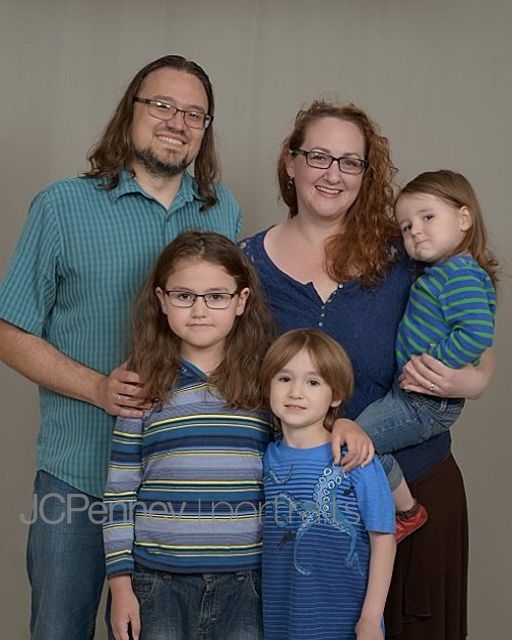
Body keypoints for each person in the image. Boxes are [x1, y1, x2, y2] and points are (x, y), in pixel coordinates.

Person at [0, 55, 242, 640]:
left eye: (194, 114)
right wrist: (98, 388)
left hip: (179, 493)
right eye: (162, 105)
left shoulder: (222, 210)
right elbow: (8, 331)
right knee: (58, 629)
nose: (177, 122)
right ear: (129, 111)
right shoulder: (61, 207)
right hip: (79, 476)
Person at [240, 99, 494, 640]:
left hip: (416, 492)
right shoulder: (247, 264)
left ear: (365, 173)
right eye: (318, 156)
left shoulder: (405, 251)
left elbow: (476, 330)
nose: (333, 174)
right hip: (306, 508)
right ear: (290, 162)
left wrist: (472, 380)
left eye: (350, 162)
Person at [103, 231, 275, 640]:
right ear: (162, 300)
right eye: (184, 296)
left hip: (246, 582)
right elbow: (120, 490)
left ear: (241, 301)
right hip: (156, 582)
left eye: (216, 296)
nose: (199, 310)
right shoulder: (142, 384)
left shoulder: (266, 384)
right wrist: (120, 585)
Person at [355, 169, 498, 542]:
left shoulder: (460, 275)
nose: (415, 231)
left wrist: (431, 362)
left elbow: (477, 335)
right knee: (358, 439)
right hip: (411, 395)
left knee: (356, 441)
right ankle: (401, 507)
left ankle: (407, 511)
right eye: (406, 227)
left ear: (464, 219)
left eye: (428, 217)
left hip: (425, 400)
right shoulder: (439, 273)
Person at [260, 328, 396, 640]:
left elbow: (384, 539)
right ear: (268, 386)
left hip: (345, 622)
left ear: (335, 395)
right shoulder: (266, 458)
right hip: (281, 621)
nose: (296, 392)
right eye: (284, 379)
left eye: (313, 382)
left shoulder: (356, 458)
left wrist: (371, 618)